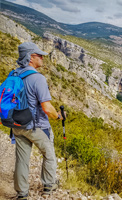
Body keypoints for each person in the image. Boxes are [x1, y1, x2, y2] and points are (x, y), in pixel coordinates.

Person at [12, 42, 63, 200]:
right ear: (30, 58)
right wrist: (59, 116)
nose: (42, 57)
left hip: (16, 124)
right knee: (49, 155)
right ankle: (48, 185)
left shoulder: (13, 74)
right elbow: (47, 108)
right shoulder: (37, 78)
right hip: (37, 126)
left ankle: (22, 194)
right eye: (39, 55)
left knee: (22, 159)